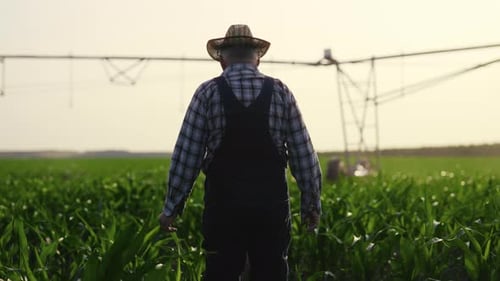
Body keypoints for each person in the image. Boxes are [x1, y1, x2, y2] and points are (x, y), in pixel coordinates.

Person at [159, 24, 322, 281]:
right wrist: (311, 203)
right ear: (257, 57)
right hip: (271, 209)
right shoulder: (280, 92)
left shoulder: (207, 92)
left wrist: (172, 208)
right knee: (271, 272)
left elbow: (186, 156)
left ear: (222, 59)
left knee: (221, 272)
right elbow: (304, 155)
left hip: (224, 209)